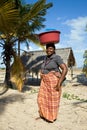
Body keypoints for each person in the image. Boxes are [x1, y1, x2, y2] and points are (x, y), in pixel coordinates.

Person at [37, 43, 68, 123]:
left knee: (53, 100)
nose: (49, 50)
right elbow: (44, 68)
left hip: (53, 82)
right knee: (42, 99)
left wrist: (59, 83)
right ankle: (44, 115)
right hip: (45, 82)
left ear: (54, 50)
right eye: (47, 48)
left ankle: (51, 117)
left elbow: (65, 69)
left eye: (51, 48)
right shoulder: (45, 58)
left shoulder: (56, 58)